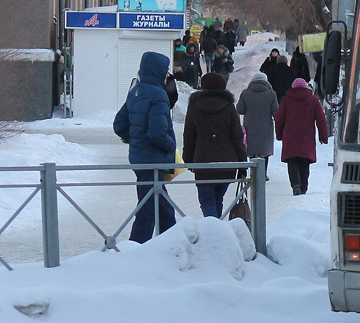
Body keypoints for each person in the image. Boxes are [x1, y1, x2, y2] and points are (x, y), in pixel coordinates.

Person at [113, 52, 177, 244]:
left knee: (162, 206)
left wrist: (133, 138)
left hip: (140, 158)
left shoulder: (136, 91)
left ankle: (172, 241)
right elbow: (157, 133)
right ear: (158, 71)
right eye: (165, 71)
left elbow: (119, 125)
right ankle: (137, 247)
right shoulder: (159, 94)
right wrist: (171, 144)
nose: (167, 75)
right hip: (153, 159)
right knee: (148, 209)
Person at [182, 73, 247, 218]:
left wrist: (188, 159)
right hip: (227, 161)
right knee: (218, 198)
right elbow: (237, 136)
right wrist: (243, 164)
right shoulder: (229, 106)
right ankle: (217, 228)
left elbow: (189, 135)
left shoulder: (194, 105)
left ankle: (213, 228)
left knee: (207, 200)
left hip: (203, 160)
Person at [276, 77, 328, 195]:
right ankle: (303, 186)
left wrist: (279, 135)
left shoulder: (286, 100)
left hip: (290, 136)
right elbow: (321, 119)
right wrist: (323, 136)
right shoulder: (313, 100)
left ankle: (295, 185)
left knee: (292, 160)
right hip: (307, 136)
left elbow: (279, 119)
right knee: (305, 161)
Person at [237, 71, 278, 175]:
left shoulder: (245, 93)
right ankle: (263, 173)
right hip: (266, 127)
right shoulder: (271, 94)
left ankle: (253, 174)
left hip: (250, 126)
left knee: (252, 150)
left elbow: (240, 110)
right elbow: (276, 112)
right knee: (264, 151)